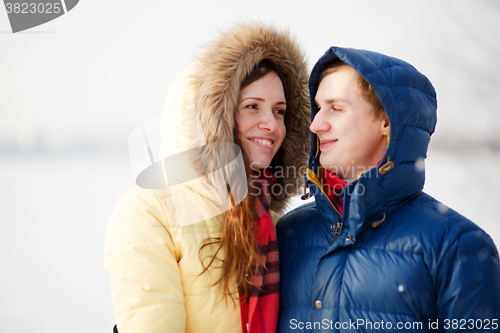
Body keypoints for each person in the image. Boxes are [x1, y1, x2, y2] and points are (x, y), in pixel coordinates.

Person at [103, 24, 310, 333]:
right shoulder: (150, 209)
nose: (271, 124)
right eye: (252, 107)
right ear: (213, 118)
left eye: (280, 111)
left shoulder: (271, 219)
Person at [276, 47, 500, 332]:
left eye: (335, 107)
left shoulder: (459, 246)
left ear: (386, 120)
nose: (316, 124)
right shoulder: (290, 233)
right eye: (318, 108)